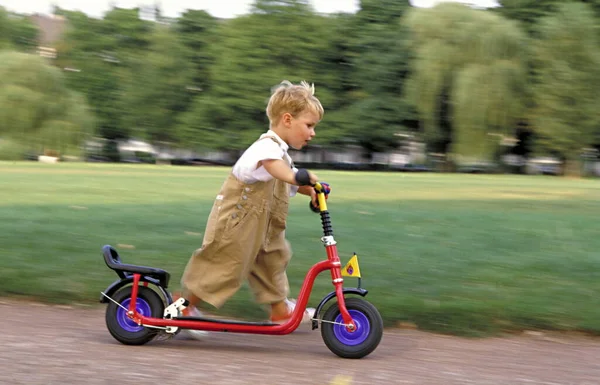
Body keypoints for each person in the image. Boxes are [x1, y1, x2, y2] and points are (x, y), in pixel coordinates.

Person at [177, 80, 327, 339]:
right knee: (224, 264)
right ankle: (183, 307)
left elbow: (286, 176)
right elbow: (277, 170)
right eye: (309, 125)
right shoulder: (267, 147)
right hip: (237, 221)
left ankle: (280, 310)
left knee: (273, 258)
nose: (312, 133)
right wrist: (299, 177)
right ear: (288, 119)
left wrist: (311, 190)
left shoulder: (282, 155)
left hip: (264, 225)